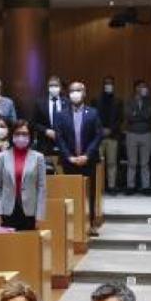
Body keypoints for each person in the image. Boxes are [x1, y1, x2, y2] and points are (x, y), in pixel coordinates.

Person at [55, 81, 102, 220]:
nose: (75, 94)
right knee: (70, 193)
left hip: (88, 160)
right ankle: (72, 224)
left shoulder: (93, 113)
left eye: (78, 90)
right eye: (72, 91)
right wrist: (69, 157)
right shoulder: (61, 114)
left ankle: (91, 222)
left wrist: (87, 155)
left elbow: (98, 135)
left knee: (90, 192)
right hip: (69, 161)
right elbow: (59, 138)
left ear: (84, 93)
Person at [0, 120, 47, 231]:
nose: (21, 136)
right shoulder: (2, 156)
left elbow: (41, 188)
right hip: (7, 211)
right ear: (12, 135)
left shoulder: (38, 157)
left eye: (24, 134)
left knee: (28, 245)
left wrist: (40, 215)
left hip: (29, 211)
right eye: (17, 133)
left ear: (30, 136)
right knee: (9, 246)